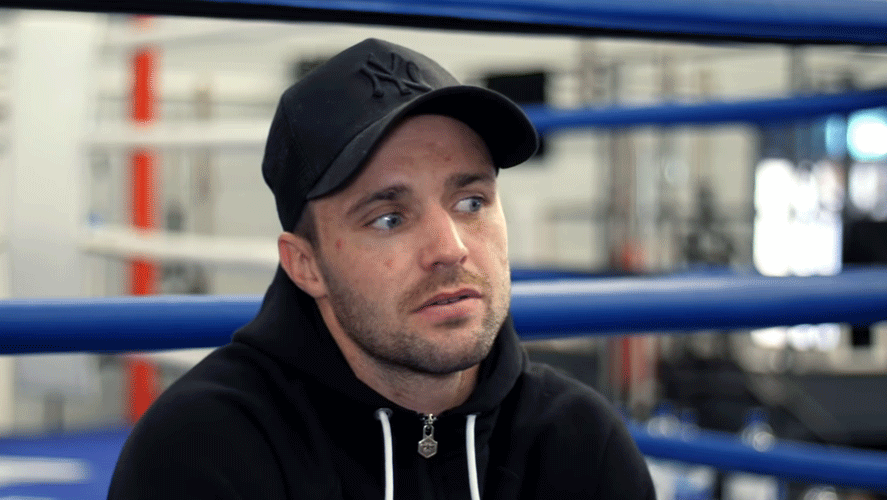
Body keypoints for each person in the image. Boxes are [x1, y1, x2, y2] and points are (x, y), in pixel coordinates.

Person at [108, 37, 656, 500]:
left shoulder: (579, 445)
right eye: (389, 218)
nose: (450, 248)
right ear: (305, 265)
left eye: (471, 202)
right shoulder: (204, 451)